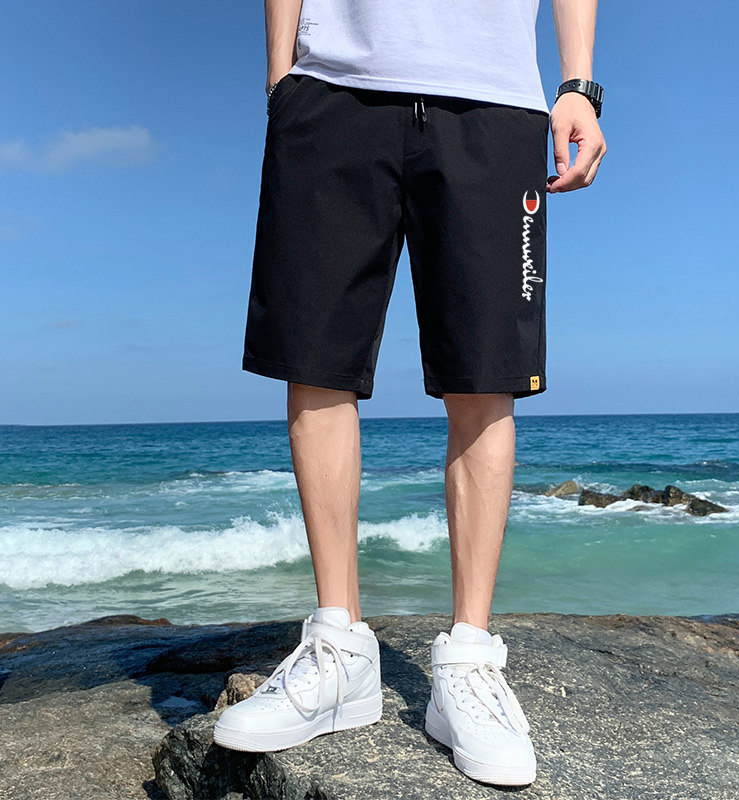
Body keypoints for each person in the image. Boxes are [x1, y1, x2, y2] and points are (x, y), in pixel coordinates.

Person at [214, 0, 606, 787]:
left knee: (486, 378)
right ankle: (339, 648)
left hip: (492, 100)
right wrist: (281, 76)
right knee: (316, 364)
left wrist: (579, 85)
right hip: (331, 91)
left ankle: (468, 660)